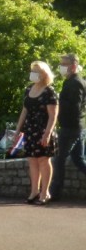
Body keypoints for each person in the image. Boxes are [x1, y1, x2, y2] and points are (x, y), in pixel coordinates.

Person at [14, 60, 58, 205]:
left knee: (43, 160)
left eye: (36, 71)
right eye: (32, 70)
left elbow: (53, 116)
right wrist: (18, 130)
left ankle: (45, 192)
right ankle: (34, 191)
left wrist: (47, 134)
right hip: (30, 130)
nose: (33, 74)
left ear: (43, 74)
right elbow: (24, 111)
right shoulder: (29, 89)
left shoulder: (49, 91)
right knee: (32, 160)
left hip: (43, 130)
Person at [49, 53, 86, 202]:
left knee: (59, 159)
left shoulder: (75, 83)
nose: (61, 67)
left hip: (70, 128)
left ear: (73, 66)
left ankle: (55, 192)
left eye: (64, 64)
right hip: (76, 126)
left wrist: (59, 102)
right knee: (78, 159)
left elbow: (75, 107)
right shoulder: (73, 81)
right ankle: (55, 192)